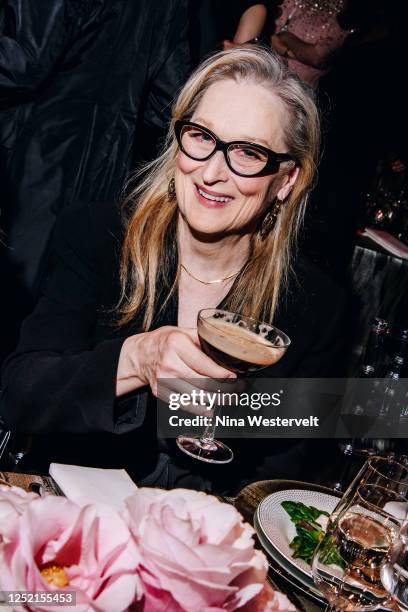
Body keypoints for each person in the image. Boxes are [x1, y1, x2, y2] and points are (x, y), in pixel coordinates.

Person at [1, 48, 346, 493]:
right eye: (202, 136)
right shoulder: (99, 236)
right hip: (78, 509)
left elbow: (286, 474)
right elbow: (19, 396)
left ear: (286, 180)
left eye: (248, 152)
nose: (212, 172)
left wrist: (250, 412)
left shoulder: (315, 304)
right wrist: (135, 360)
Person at [0, 0, 189, 364]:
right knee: (58, 309)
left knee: (15, 296)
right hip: (106, 169)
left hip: (31, 159)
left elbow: (25, 60)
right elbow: (169, 101)